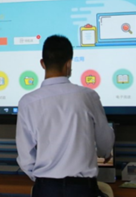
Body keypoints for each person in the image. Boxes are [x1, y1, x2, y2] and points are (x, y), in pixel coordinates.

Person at [16, 35, 115, 197]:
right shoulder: (88, 96)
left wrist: (43, 179)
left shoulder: (27, 102)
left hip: (46, 188)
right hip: (82, 188)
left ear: (42, 63)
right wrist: (105, 153)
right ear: (69, 63)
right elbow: (104, 138)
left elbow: (25, 156)